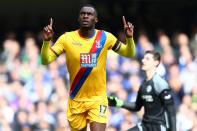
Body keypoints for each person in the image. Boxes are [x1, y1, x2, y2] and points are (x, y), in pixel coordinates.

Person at [41, 4, 136, 131]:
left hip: (98, 99)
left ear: (96, 19)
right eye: (83, 14)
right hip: (76, 100)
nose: (85, 16)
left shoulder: (105, 38)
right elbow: (45, 59)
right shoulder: (67, 38)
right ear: (78, 19)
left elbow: (129, 53)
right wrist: (46, 41)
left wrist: (129, 38)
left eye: (89, 14)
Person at [108, 50, 176, 131]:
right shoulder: (143, 84)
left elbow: (171, 111)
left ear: (156, 63)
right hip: (145, 126)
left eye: (147, 59)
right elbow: (137, 106)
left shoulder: (161, 84)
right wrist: (119, 103)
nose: (143, 60)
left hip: (158, 127)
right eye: (143, 58)